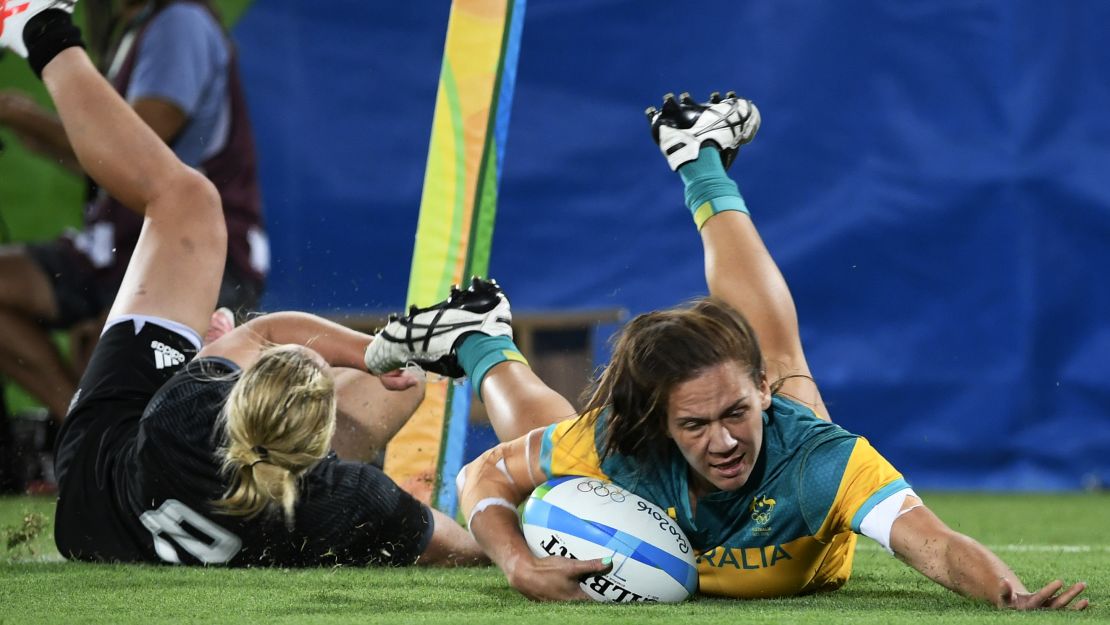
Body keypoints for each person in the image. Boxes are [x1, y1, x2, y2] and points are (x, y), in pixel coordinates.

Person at [413, 93, 1086, 608]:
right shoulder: (624, 441)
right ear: (661, 421)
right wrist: (517, 562)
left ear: (757, 391)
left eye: (736, 411)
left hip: (789, 431)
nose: (724, 441)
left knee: (788, 365)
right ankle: (477, 335)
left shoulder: (823, 465)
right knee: (543, 447)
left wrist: (1009, 595)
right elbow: (482, 477)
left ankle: (698, 160)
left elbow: (933, 543)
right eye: (694, 424)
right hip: (657, 453)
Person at [0, 0, 523, 567]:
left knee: (189, 201)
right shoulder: (346, 502)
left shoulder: (187, 412)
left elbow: (268, 332)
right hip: (165, 524)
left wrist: (381, 348)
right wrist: (529, 549)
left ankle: (37, 25)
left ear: (233, 392)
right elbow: (466, 553)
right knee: (405, 385)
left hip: (95, 495)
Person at [0, 0, 266, 423]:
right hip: (122, 244)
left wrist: (24, 114)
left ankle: (98, 435)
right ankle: (77, 426)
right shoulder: (137, 29)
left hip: (194, 250)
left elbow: (136, 147)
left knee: (115, 347)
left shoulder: (180, 22)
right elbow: (107, 159)